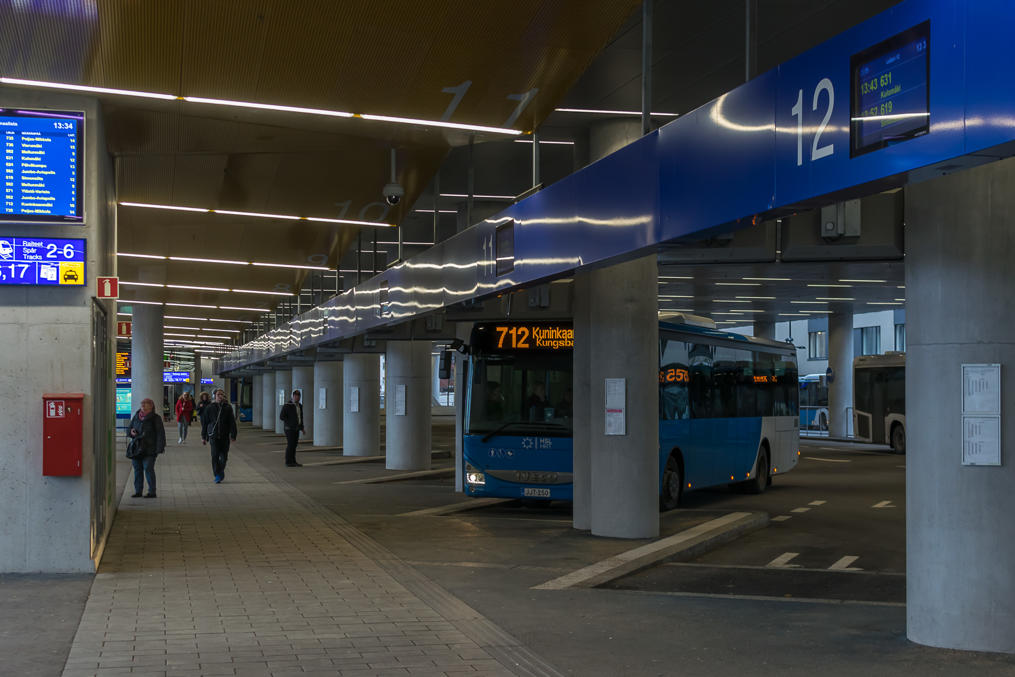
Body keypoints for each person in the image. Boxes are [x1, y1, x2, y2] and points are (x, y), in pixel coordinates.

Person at [127, 397, 166, 498]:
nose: (143, 406)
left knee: (148, 469)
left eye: (146, 404)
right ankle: (138, 491)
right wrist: (131, 432)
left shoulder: (155, 418)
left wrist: (159, 448)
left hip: (149, 449)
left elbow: (160, 434)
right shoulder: (136, 416)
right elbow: (129, 429)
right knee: (137, 470)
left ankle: (152, 491)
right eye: (142, 404)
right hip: (137, 448)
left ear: (151, 406)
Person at [202, 388, 237, 483]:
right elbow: (205, 423)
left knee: (224, 457)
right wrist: (203, 437)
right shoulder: (209, 408)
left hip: (224, 437)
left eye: (222, 394)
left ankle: (220, 471)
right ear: (214, 396)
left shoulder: (228, 408)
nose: (220, 396)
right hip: (213, 436)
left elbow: (232, 422)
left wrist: (233, 435)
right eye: (218, 395)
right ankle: (217, 474)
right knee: (215, 456)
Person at [279, 389, 304, 467]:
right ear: (292, 396)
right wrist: (290, 422)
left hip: (296, 429)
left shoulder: (299, 405)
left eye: (298, 396)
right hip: (289, 429)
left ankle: (293, 461)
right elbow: (282, 417)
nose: (297, 397)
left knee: (294, 445)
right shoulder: (287, 405)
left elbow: (300, 417)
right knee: (290, 445)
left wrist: (302, 427)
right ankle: (288, 462)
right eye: (296, 396)